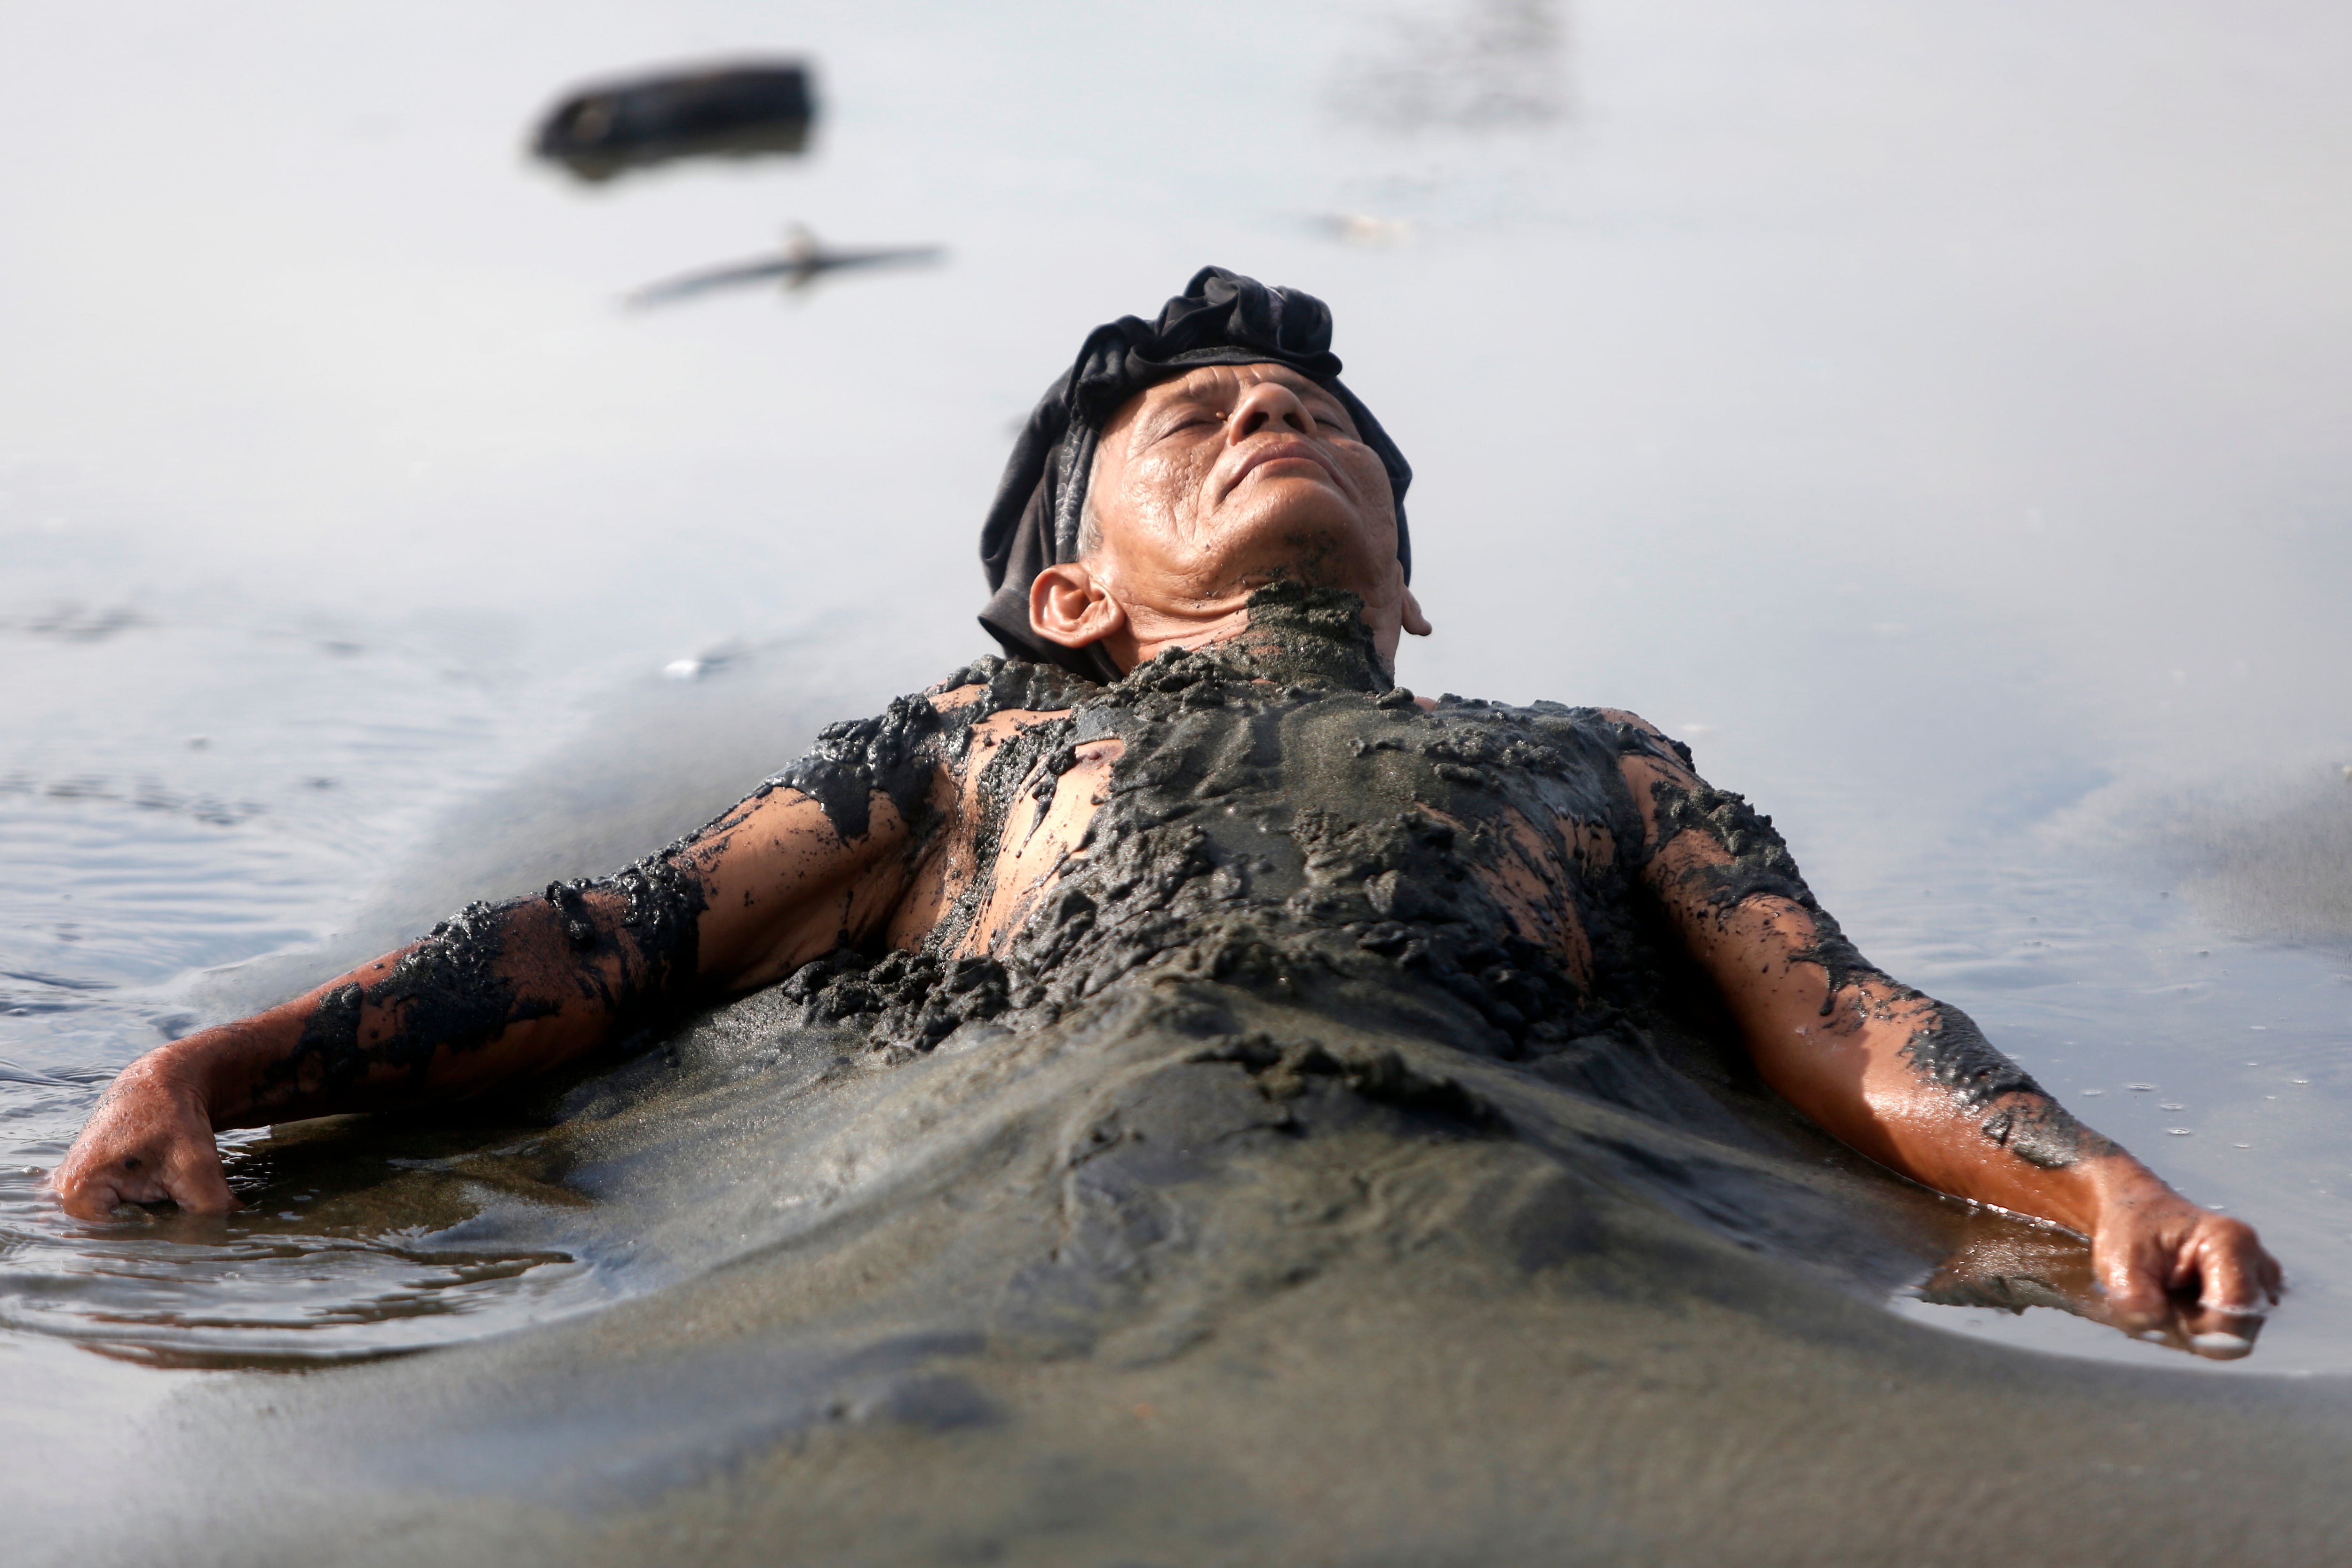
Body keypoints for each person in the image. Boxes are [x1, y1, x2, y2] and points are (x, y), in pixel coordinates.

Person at [53, 267, 2279, 1356]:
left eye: (1311, 415)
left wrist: (2090, 1182)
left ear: (1408, 583)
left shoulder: (1597, 761)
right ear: (1066, 594)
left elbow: (1835, 1016)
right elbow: (627, 939)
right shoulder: (957, 751)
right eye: (1198, 417)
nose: (1266, 415)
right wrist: (214, 1070)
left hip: (1500, 1237)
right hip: (1014, 1239)